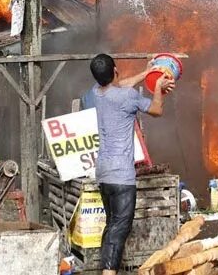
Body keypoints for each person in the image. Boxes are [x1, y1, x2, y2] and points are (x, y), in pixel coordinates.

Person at [88, 53, 174, 275]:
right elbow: (156, 110)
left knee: (111, 226)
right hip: (121, 176)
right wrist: (158, 87)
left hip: (104, 172)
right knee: (119, 230)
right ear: (115, 70)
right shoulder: (127, 97)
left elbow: (119, 86)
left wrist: (146, 73)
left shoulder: (96, 93)